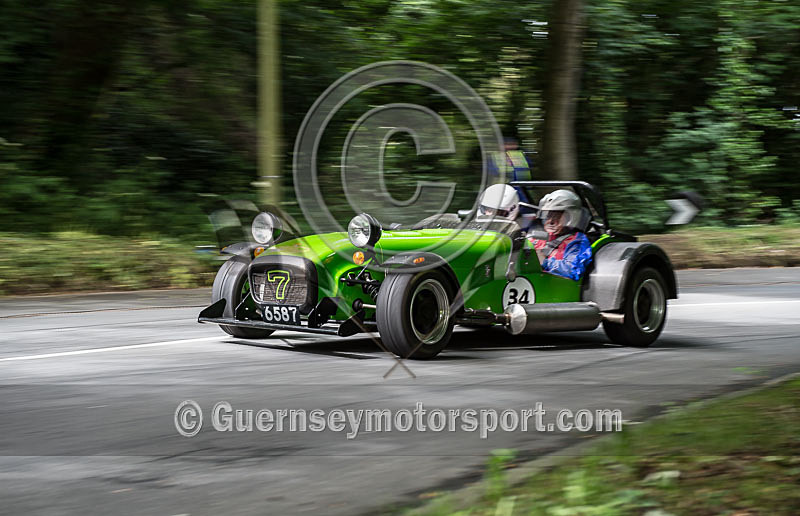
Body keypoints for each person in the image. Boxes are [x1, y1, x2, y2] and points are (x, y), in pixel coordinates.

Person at [528, 189, 593, 281]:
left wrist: (545, 262)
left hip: (555, 290)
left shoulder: (577, 241)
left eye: (557, 217)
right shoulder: (536, 237)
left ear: (572, 217)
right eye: (548, 215)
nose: (550, 221)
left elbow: (573, 270)